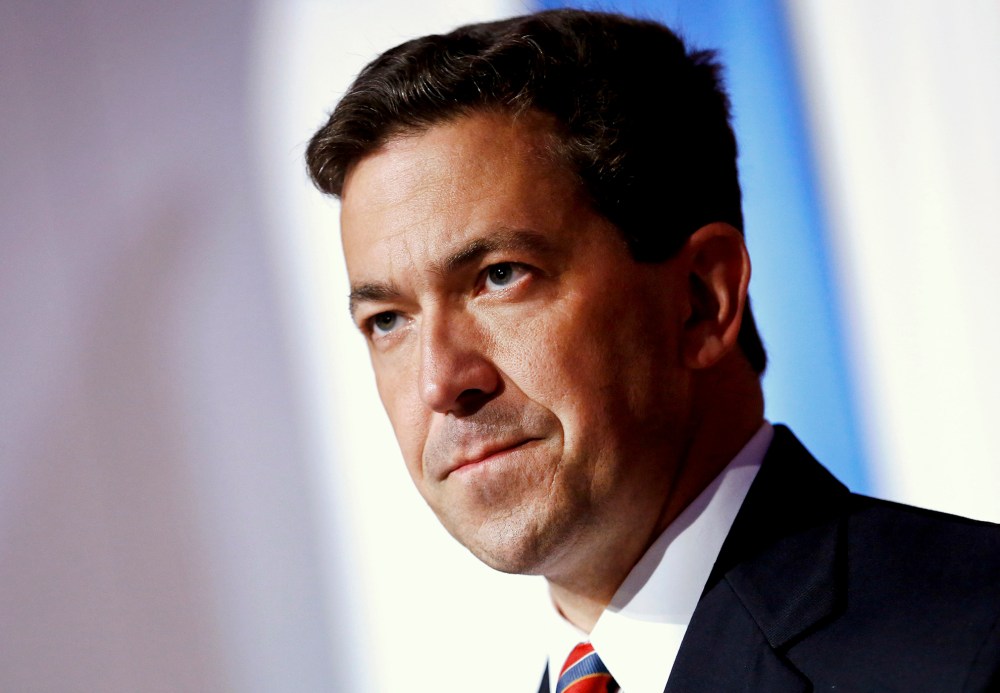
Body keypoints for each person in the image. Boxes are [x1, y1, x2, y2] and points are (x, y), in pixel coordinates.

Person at [305, 8, 1000, 692]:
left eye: (501, 275)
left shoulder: (972, 645)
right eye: (387, 319)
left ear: (701, 299)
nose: (440, 381)